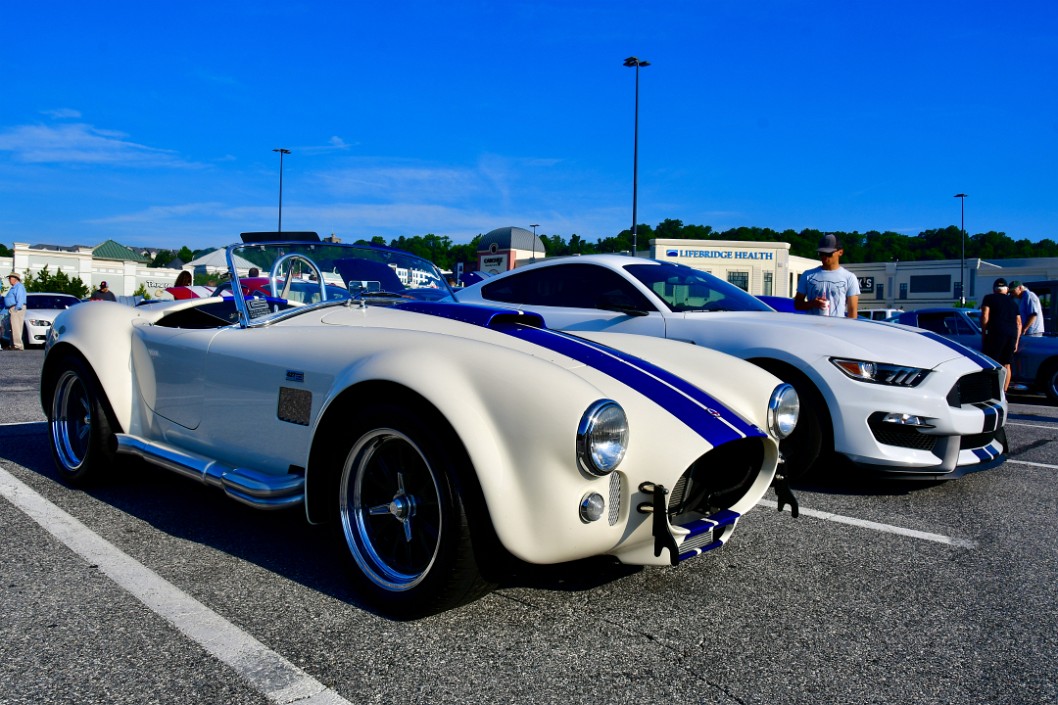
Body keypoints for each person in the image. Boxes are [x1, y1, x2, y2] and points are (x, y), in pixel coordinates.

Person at [794, 234, 860, 318]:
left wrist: (850, 329)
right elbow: (797, 304)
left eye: (828, 253)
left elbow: (852, 310)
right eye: (821, 253)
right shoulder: (807, 275)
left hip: (837, 328)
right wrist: (812, 303)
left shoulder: (849, 277)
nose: (824, 256)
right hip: (812, 327)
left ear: (840, 252)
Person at [980, 278, 1021, 392]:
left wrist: (984, 333)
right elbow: (1019, 323)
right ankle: (1004, 393)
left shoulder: (989, 298)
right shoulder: (1013, 303)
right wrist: (1016, 341)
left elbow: (985, 316)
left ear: (994, 290)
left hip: (996, 333)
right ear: (1007, 289)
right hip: (1011, 334)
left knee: (991, 362)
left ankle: (991, 391)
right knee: (1007, 364)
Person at [3, 272, 27, 351]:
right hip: (12, 308)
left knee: (16, 327)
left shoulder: (19, 287)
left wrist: (17, 308)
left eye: (10, 278)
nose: (9, 280)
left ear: (15, 279)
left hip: (16, 308)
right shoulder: (14, 287)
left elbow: (20, 298)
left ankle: (18, 345)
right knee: (13, 328)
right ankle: (13, 344)